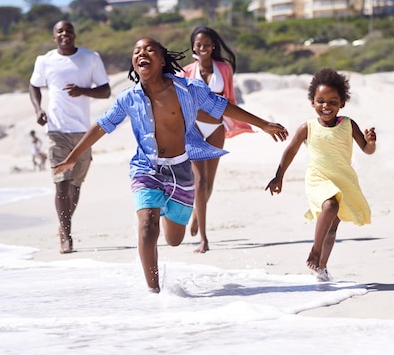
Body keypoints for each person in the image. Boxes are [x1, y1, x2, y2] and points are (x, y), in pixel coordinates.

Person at [52, 37, 288, 292]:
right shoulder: (128, 98)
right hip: (146, 168)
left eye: (149, 49)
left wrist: (263, 124)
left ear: (162, 59)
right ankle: (154, 291)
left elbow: (222, 107)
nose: (142, 53)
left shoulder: (188, 89)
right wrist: (73, 156)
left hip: (181, 170)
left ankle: (163, 213)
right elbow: (101, 126)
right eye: (137, 51)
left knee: (174, 240)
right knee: (146, 225)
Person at [265, 68, 377, 282]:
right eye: (321, 101)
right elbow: (290, 150)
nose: (326, 106)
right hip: (317, 179)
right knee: (330, 206)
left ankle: (322, 268)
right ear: (313, 102)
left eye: (333, 102)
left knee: (332, 229)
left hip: (343, 179)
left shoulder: (348, 125)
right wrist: (278, 176)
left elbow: (367, 150)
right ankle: (315, 251)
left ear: (342, 103)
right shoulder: (307, 127)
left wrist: (370, 142)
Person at [29, 20, 111, 254]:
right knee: (61, 185)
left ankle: (63, 224)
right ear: (54, 37)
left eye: (69, 30)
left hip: (84, 133)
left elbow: (105, 90)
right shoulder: (44, 61)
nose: (65, 33)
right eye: (60, 31)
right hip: (56, 131)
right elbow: (33, 86)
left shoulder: (90, 57)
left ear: (75, 34)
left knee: (75, 185)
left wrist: (83, 90)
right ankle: (66, 235)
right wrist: (38, 109)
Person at [181, 26, 254, 253]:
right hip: (193, 129)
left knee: (209, 183)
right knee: (199, 182)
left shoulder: (224, 69)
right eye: (198, 44)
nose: (202, 48)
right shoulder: (185, 72)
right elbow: (183, 103)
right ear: (193, 46)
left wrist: (236, 120)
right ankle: (204, 239)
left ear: (213, 46)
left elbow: (229, 98)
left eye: (206, 44)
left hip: (216, 127)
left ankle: (197, 212)